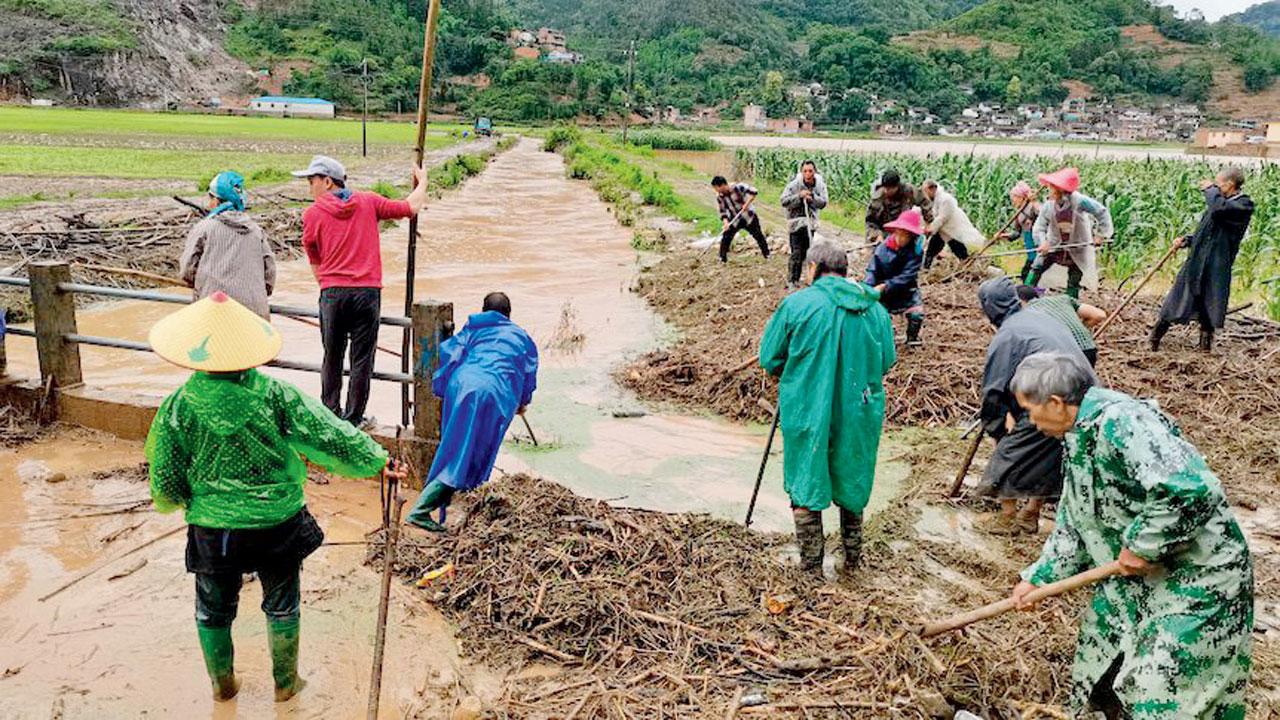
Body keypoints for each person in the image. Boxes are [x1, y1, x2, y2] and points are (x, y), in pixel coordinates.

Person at [144, 292, 403, 703]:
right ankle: (286, 685)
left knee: (212, 608)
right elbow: (329, 433)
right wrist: (377, 460)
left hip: (214, 529)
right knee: (282, 602)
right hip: (276, 523)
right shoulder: (275, 394)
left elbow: (165, 473)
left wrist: (180, 500)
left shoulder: (179, 406)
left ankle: (222, 685)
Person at [1008, 351, 1252, 720]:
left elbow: (1192, 489)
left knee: (1164, 688)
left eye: (1029, 408)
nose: (1029, 419)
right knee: (1100, 665)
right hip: (1137, 580)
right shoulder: (1077, 437)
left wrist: (1143, 545)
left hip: (1197, 578)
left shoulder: (1123, 421)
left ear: (1056, 404)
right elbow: (1077, 523)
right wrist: (1038, 579)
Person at [760, 241, 896, 577]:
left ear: (813, 268)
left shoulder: (796, 305)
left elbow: (770, 358)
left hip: (808, 406)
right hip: (860, 408)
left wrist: (799, 370)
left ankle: (810, 569)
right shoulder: (874, 309)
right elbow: (886, 361)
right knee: (852, 473)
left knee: (807, 475)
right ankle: (852, 562)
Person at [295, 155, 430, 428]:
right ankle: (354, 418)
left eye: (312, 181)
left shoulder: (312, 214)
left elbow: (314, 261)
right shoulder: (368, 201)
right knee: (361, 359)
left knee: (331, 356)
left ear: (328, 182)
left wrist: (328, 287)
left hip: (333, 292)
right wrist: (423, 180)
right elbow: (411, 207)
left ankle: (330, 416)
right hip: (367, 293)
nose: (309, 187)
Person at [405, 291, 539, 531]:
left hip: (461, 386)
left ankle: (461, 504)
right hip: (493, 393)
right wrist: (522, 401)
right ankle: (420, 511)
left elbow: (450, 354)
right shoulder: (521, 337)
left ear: (484, 310)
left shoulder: (473, 328)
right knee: (471, 454)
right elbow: (528, 373)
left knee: (455, 447)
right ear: (508, 314)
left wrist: (442, 387)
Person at [975, 277, 1094, 535]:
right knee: (1049, 453)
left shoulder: (1008, 335)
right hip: (1083, 394)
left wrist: (997, 431)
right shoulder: (1039, 318)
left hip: (1055, 396)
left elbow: (994, 393)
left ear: (989, 308)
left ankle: (1007, 518)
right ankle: (1030, 514)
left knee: (1008, 454)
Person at [1151, 166, 1255, 353]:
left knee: (1209, 306)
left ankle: (1204, 348)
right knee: (1175, 301)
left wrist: (1209, 188)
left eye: (1218, 184)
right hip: (1197, 262)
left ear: (1230, 184)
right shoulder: (1219, 204)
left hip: (1216, 265)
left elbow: (1218, 210)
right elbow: (1206, 232)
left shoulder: (1242, 205)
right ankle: (1154, 339)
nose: (1215, 187)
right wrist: (1187, 240)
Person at [179, 171, 276, 319]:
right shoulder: (256, 231)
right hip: (254, 315)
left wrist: (203, 286)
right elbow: (269, 275)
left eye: (210, 197)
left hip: (214, 311)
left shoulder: (204, 228)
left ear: (217, 201)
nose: (209, 203)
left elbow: (187, 270)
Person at [1027, 167, 1113, 299]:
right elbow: (1039, 226)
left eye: (1051, 188)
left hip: (1078, 245)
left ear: (1059, 189)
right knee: (1037, 267)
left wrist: (1100, 235)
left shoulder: (1079, 201)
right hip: (1054, 244)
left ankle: (1070, 303)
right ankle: (1025, 295)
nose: (1049, 190)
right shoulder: (1049, 206)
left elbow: (1101, 212)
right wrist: (1042, 242)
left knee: (1074, 277)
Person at [864, 207, 926, 346]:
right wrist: (868, 288)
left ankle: (912, 339)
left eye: (907, 235)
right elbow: (872, 271)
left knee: (917, 315)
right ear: (896, 231)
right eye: (901, 233)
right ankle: (883, 333)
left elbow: (907, 276)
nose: (903, 238)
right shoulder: (881, 249)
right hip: (884, 294)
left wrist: (886, 286)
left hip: (906, 292)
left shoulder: (916, 252)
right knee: (878, 316)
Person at [1014, 285, 1106, 367]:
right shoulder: (1063, 299)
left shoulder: (1027, 312)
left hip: (1063, 356)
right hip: (1088, 349)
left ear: (1020, 301)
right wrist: (1079, 329)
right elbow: (1099, 315)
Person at [779, 160, 828, 288]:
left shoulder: (820, 185)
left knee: (807, 252)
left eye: (810, 171)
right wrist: (799, 197)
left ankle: (807, 278)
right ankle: (791, 280)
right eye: (805, 171)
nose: (807, 174)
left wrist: (812, 198)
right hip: (795, 222)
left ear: (814, 172)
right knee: (796, 252)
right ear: (801, 172)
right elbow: (783, 201)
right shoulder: (794, 185)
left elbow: (823, 202)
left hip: (810, 222)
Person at [919, 180, 981, 270]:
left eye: (926, 191)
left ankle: (968, 266)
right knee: (932, 250)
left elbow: (943, 217)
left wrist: (931, 228)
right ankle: (926, 268)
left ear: (932, 188)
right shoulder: (936, 200)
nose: (925, 194)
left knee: (958, 249)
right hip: (943, 230)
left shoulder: (945, 199)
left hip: (951, 229)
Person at [712, 176, 770, 263]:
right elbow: (722, 212)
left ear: (723, 185)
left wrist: (747, 203)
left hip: (748, 217)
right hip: (735, 220)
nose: (717, 191)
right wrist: (726, 223)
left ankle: (767, 255)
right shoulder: (720, 197)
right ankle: (722, 258)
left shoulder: (738, 187)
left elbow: (754, 191)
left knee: (758, 235)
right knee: (726, 238)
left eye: (717, 188)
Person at [997, 181, 1042, 282]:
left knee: (1032, 268)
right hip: (1028, 242)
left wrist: (1034, 201)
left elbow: (1044, 214)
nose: (1012, 200)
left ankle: (1031, 288)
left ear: (1021, 197)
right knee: (1029, 270)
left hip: (1037, 241)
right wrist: (1002, 235)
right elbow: (1016, 233)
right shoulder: (1018, 214)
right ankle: (1030, 288)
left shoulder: (1033, 207)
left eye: (1014, 197)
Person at [864, 168, 915, 245]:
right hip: (882, 232)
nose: (887, 191)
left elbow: (924, 202)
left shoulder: (908, 191)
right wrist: (876, 235)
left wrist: (929, 222)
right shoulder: (877, 198)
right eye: (885, 188)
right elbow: (870, 222)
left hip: (902, 232)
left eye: (890, 189)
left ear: (897, 186)